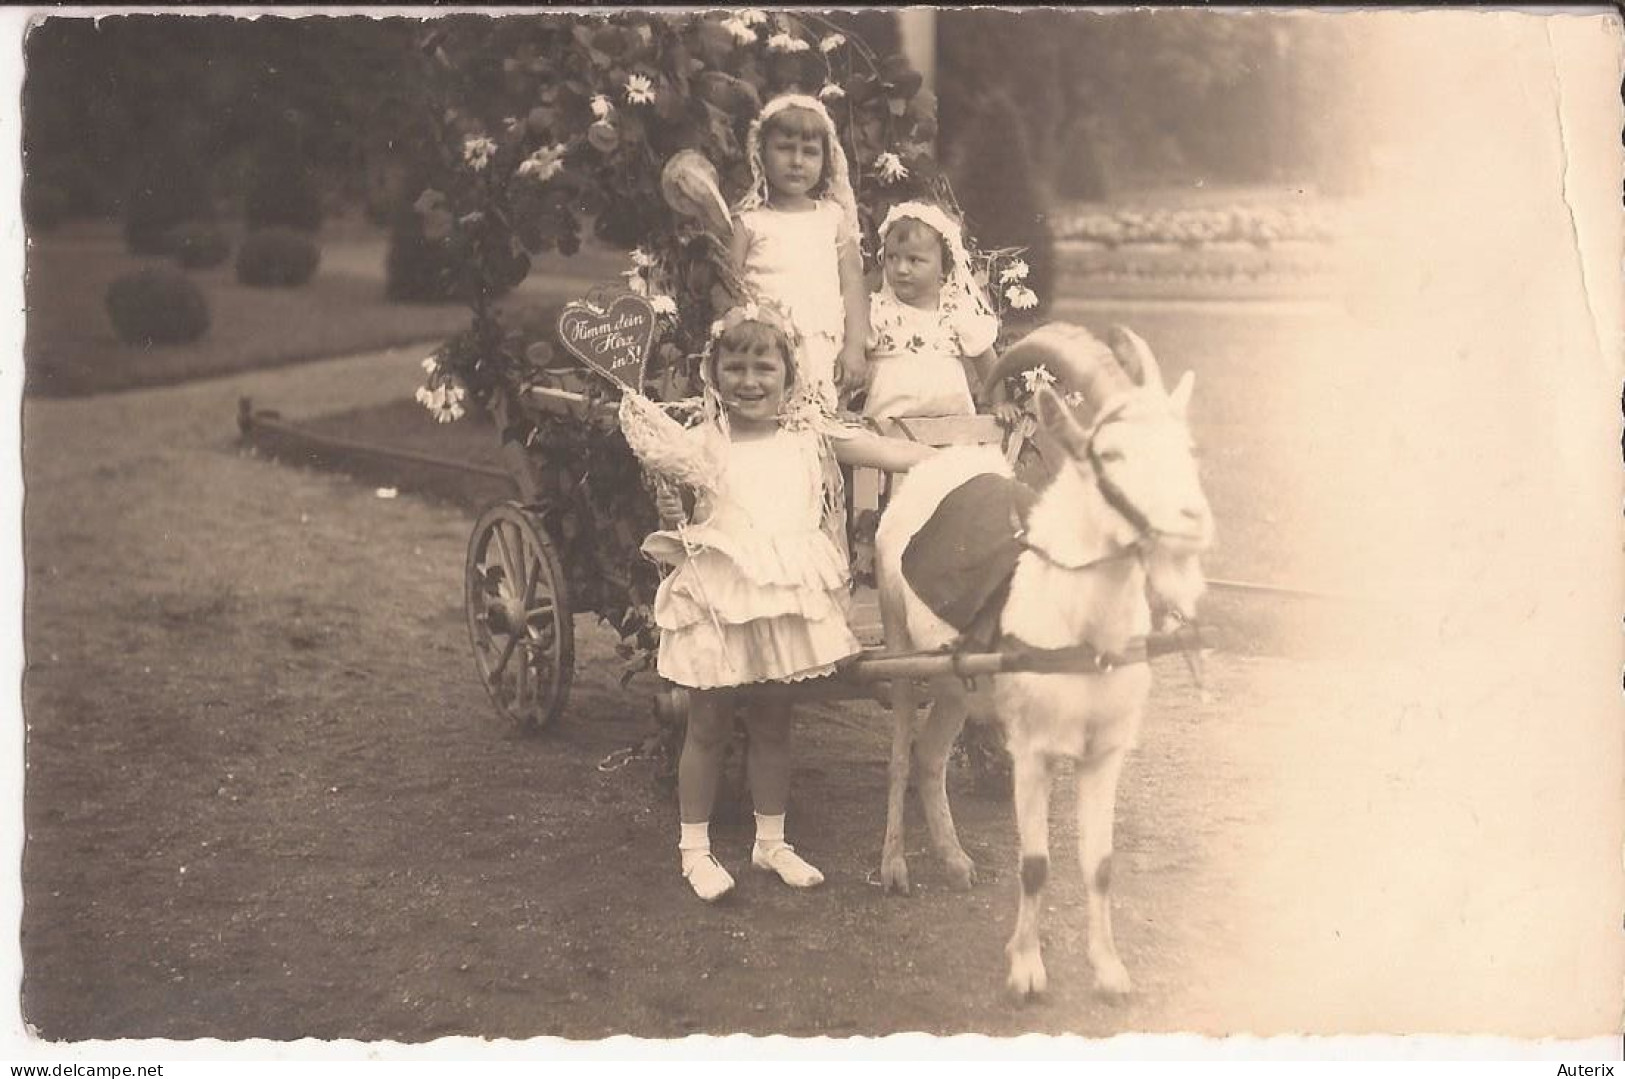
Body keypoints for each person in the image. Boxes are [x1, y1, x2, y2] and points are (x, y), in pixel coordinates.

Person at [640, 303, 934, 903]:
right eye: (736, 368)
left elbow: (886, 453)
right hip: (720, 597)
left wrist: (948, 462)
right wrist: (674, 511)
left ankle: (770, 842)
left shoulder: (809, 439)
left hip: (781, 600)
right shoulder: (701, 444)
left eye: (764, 368)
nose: (749, 382)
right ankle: (694, 849)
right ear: (713, 373)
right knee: (709, 723)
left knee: (775, 721)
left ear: (788, 376)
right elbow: (682, 504)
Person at [730, 94, 868, 413]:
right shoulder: (749, 222)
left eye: (809, 152)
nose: (796, 161)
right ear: (761, 153)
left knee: (820, 423)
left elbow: (853, 286)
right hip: (765, 351)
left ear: (826, 159)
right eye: (784, 148)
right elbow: (729, 287)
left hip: (822, 350)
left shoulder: (833, 217)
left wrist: (854, 347)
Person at [863, 201, 1011, 423]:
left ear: (945, 267)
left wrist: (999, 401)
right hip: (889, 426)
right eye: (893, 257)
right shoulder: (878, 310)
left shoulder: (956, 310)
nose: (901, 269)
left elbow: (985, 358)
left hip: (952, 424)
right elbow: (852, 359)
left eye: (914, 260)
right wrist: (842, 403)